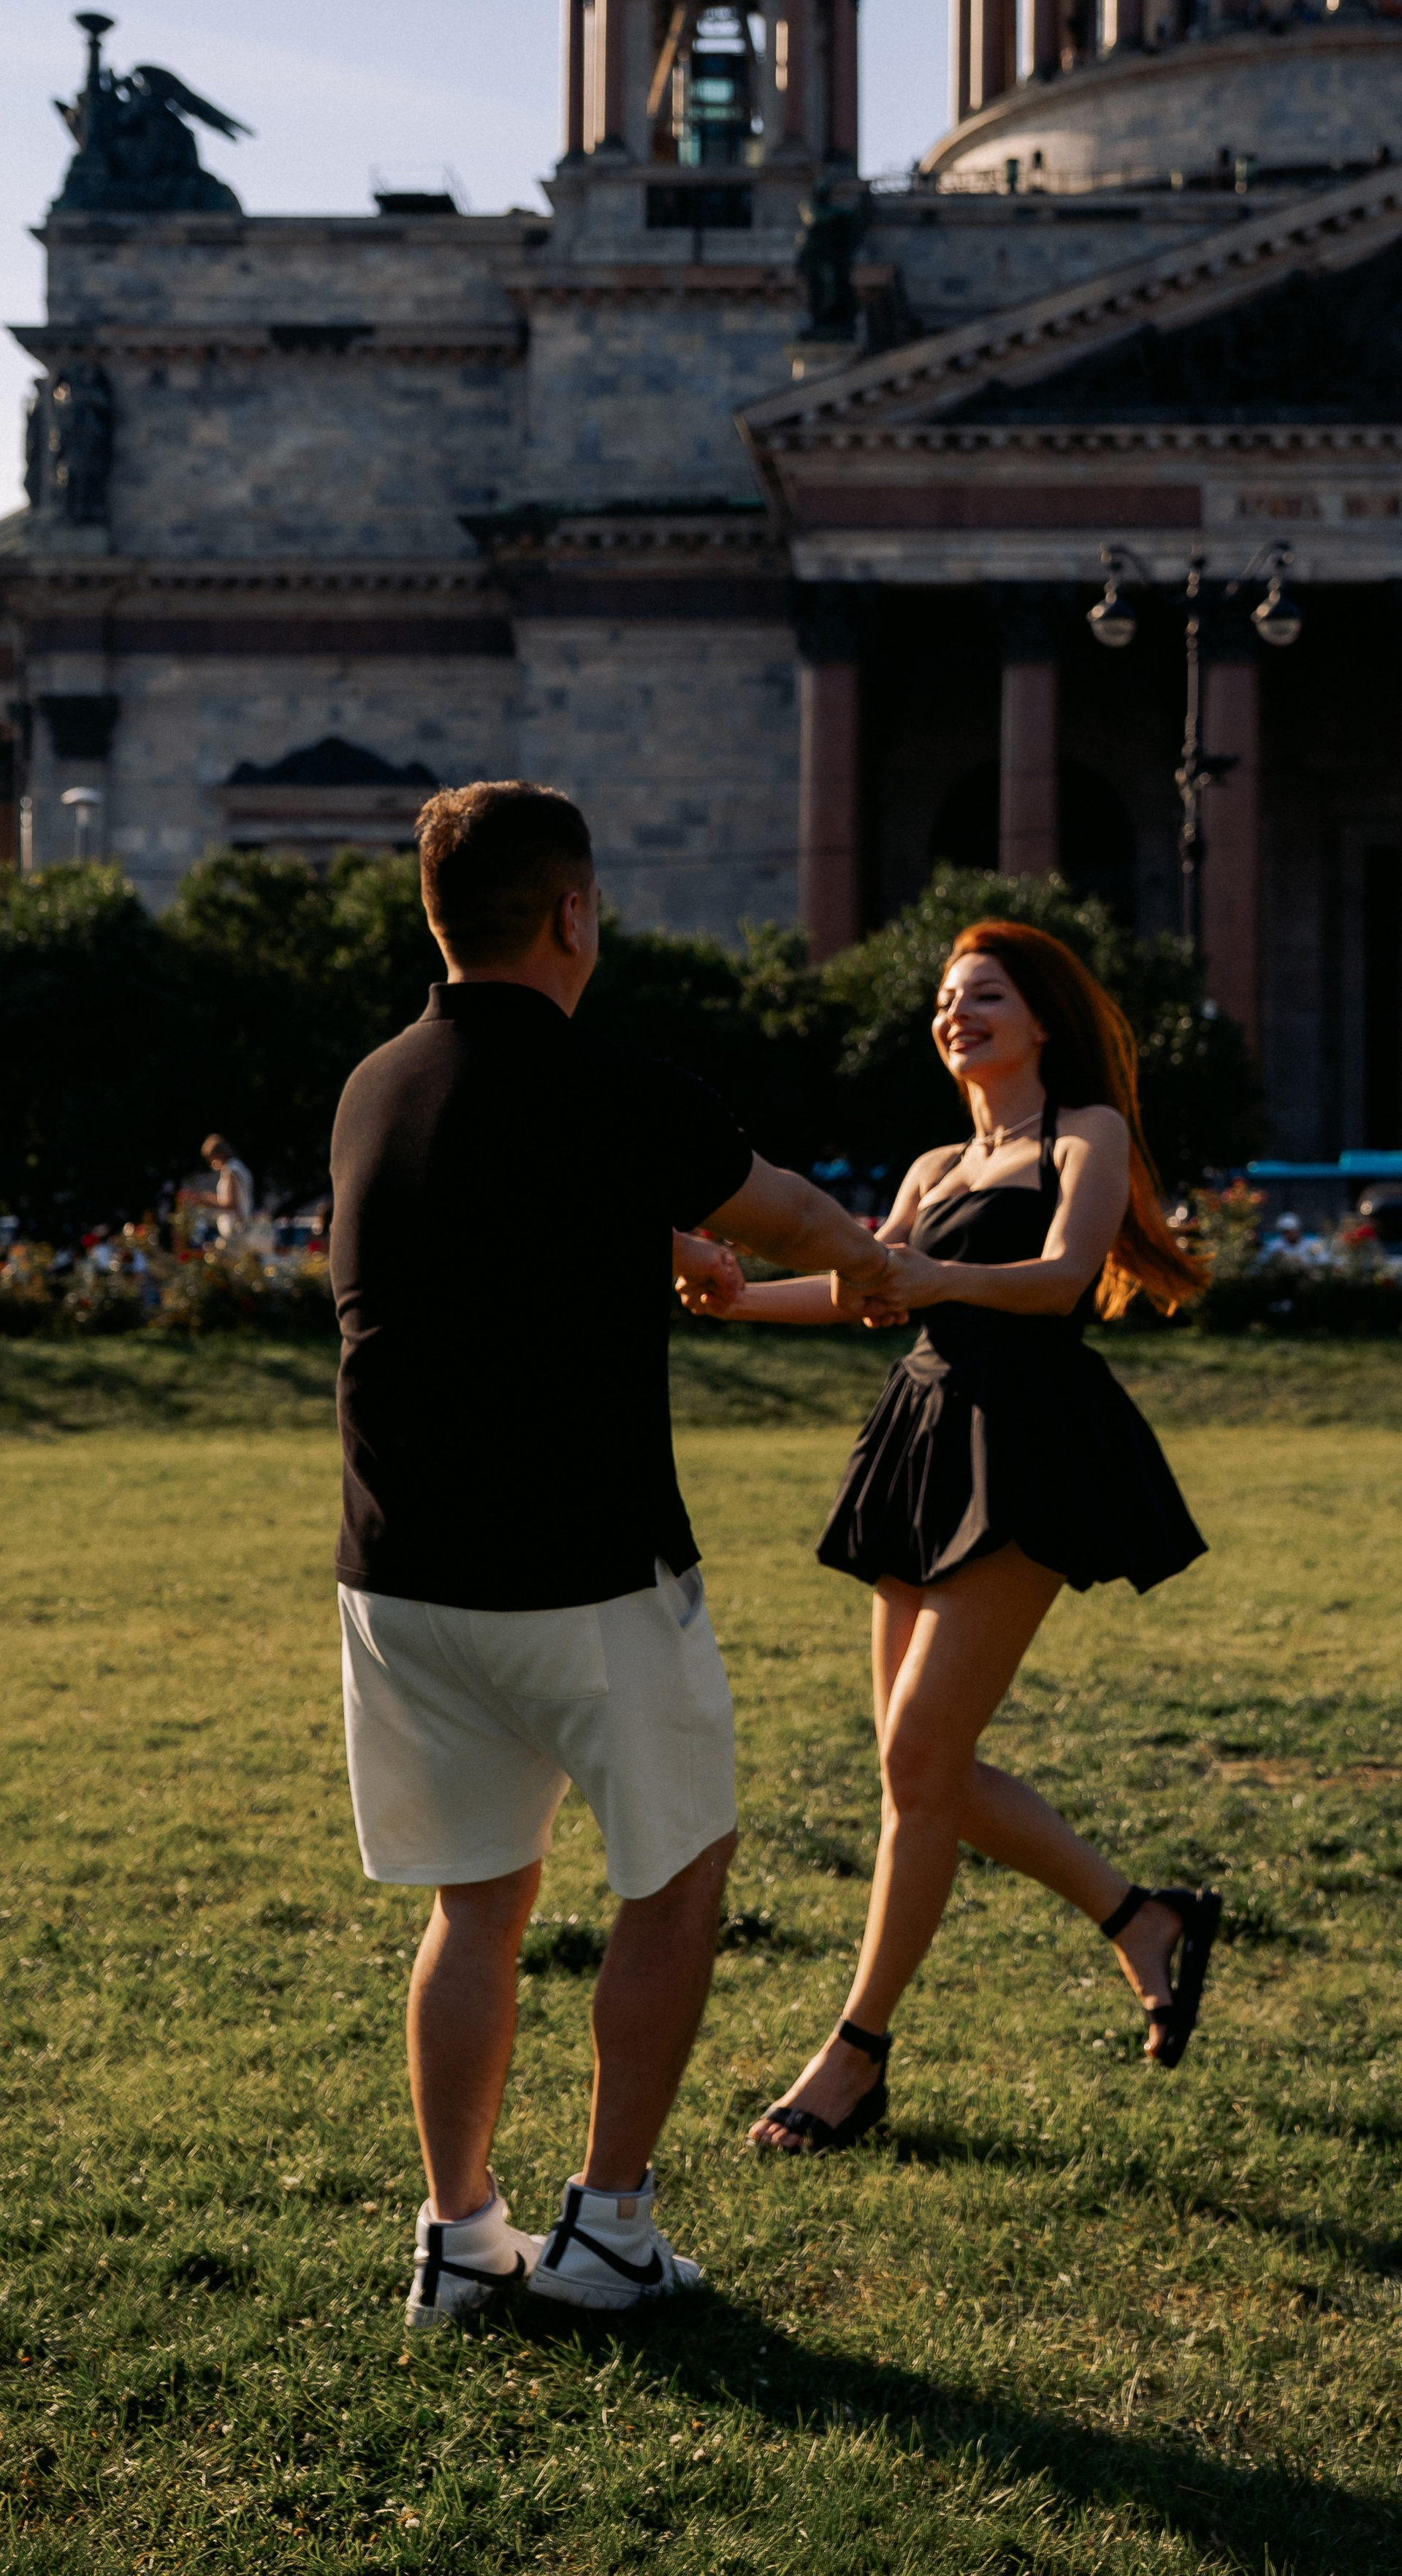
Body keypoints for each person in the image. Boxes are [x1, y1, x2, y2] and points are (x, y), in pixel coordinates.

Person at [328, 780, 907, 2329]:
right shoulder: (619, 1090)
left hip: (397, 1581)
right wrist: (869, 1262)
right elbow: (784, 1210)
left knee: (474, 1903)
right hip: (587, 1574)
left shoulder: (373, 1088)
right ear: (572, 915)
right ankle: (610, 2232)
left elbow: (489, 1213)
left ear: (440, 919)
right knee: (676, 1875)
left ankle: (459, 2239)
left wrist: (663, 1247)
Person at [687, 921, 1219, 2154]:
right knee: (915, 1770)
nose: (956, 1014)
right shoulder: (933, 1166)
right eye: (944, 999)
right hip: (923, 1435)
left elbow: (1063, 1276)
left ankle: (855, 2055)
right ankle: (1146, 1921)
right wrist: (732, 1292)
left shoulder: (1084, 1134)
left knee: (923, 1752)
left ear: (1040, 1021)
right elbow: (861, 1286)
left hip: (1030, 1441)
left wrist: (933, 1282)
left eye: (983, 995)